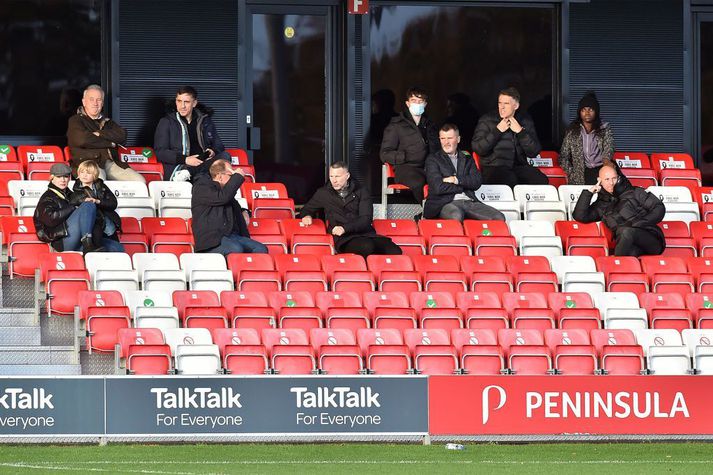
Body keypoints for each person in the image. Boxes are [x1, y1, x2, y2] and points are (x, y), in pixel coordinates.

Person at [299, 162, 402, 258]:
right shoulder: (323, 193)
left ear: (347, 176)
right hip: (343, 238)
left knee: (395, 251)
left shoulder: (362, 190)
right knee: (367, 246)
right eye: (331, 176)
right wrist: (307, 215)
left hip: (365, 234)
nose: (334, 180)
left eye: (338, 176)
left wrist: (344, 228)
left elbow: (366, 219)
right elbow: (307, 209)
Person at [573, 164, 665, 257]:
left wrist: (641, 223)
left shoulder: (635, 192)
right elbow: (580, 216)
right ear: (599, 180)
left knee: (626, 231)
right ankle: (618, 264)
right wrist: (589, 193)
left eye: (614, 178)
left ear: (618, 178)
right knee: (630, 253)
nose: (611, 183)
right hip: (628, 245)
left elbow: (659, 207)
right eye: (607, 179)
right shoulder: (601, 205)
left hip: (651, 239)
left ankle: (615, 262)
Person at [34, 163, 124, 254]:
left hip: (76, 237)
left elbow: (112, 204)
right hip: (61, 239)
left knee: (117, 248)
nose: (63, 180)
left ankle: (90, 249)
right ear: (52, 178)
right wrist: (74, 207)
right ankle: (87, 243)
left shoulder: (70, 194)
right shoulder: (48, 197)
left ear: (69, 178)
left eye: (65, 176)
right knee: (88, 204)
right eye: (59, 176)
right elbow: (50, 219)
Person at [424, 124, 506, 222]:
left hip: (469, 201)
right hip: (444, 203)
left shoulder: (467, 158)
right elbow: (438, 187)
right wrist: (464, 185)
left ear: (458, 139)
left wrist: (456, 180)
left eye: (450, 138)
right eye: (443, 138)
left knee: (499, 217)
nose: (446, 142)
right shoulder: (433, 159)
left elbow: (477, 182)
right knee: (456, 215)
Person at [67, 84, 145, 182]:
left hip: (111, 164)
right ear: (84, 102)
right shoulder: (75, 120)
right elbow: (82, 140)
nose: (95, 103)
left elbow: (122, 136)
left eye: (99, 100)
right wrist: (111, 143)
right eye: (91, 99)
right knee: (98, 181)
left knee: (139, 181)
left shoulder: (108, 121)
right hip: (87, 164)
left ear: (102, 103)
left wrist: (100, 134)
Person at [472, 87, 548, 188]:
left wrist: (520, 132)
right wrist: (497, 130)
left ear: (516, 105)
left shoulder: (525, 120)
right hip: (493, 167)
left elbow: (534, 152)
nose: (501, 107)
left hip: (518, 167)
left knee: (541, 180)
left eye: (506, 104)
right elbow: (478, 148)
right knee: (510, 180)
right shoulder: (487, 120)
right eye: (500, 103)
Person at [191, 159, 267, 256]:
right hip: (213, 241)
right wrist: (238, 176)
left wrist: (244, 211)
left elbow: (232, 204)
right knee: (236, 249)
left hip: (232, 236)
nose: (233, 178)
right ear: (219, 176)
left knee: (260, 249)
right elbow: (222, 198)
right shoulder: (201, 187)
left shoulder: (227, 193)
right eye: (231, 175)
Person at [154, 85, 230, 182]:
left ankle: (191, 172)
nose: (182, 106)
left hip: (203, 164)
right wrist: (186, 159)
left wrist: (212, 151)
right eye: (179, 101)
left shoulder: (205, 121)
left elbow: (219, 145)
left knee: (226, 156)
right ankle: (190, 172)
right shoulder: (167, 122)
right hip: (181, 167)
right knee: (203, 178)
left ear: (194, 103)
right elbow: (160, 152)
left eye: (186, 102)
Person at [380, 86, 439, 204]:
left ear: (425, 104)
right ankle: (430, 213)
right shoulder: (396, 125)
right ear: (407, 103)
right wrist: (406, 156)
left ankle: (440, 212)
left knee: (441, 182)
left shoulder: (430, 126)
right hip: (406, 169)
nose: (417, 104)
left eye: (420, 101)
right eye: (414, 101)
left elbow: (436, 150)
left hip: (428, 168)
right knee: (419, 183)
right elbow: (384, 154)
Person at [559, 91, 615, 185]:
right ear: (579, 112)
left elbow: (609, 146)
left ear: (596, 112)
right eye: (583, 110)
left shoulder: (604, 128)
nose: (587, 113)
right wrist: (572, 173)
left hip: (601, 168)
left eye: (590, 109)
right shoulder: (573, 130)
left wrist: (606, 161)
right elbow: (563, 157)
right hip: (581, 172)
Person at [69, 160, 123, 251]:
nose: (84, 175)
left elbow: (113, 203)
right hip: (93, 228)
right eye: (82, 172)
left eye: (88, 173)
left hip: (108, 225)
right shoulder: (76, 190)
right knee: (99, 250)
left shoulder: (102, 186)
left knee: (117, 250)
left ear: (95, 175)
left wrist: (98, 201)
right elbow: (74, 202)